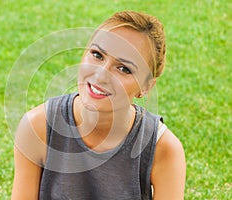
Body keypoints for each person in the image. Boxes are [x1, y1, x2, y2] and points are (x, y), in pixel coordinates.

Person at [11, 10, 186, 200]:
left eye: (124, 69)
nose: (101, 75)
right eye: (97, 55)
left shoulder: (164, 149)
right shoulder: (37, 127)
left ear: (145, 87)